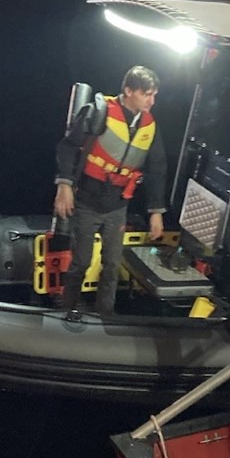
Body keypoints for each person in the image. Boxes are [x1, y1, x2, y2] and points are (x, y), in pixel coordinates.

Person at [53, 64, 167, 319]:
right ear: (128, 91)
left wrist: (156, 212)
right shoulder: (99, 112)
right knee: (81, 261)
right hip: (87, 201)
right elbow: (68, 147)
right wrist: (64, 184)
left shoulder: (149, 126)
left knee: (112, 265)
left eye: (154, 95)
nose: (152, 100)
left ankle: (105, 314)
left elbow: (157, 167)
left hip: (117, 205)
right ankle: (66, 308)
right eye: (146, 94)